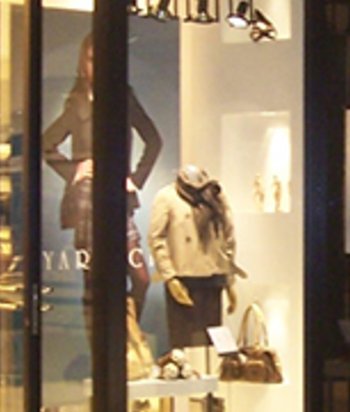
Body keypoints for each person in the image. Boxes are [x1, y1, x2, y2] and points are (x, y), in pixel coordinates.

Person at [42, 32, 162, 343]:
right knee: (94, 280)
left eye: (103, 59)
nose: (97, 66)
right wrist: (74, 170)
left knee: (140, 277)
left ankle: (126, 335)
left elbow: (153, 140)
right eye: (92, 60)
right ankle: (99, 347)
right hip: (87, 197)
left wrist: (134, 179)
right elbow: (46, 144)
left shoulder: (124, 97)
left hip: (118, 198)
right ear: (83, 63)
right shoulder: (77, 102)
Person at [148, 164, 241, 350]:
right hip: (183, 278)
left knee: (212, 341)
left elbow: (227, 237)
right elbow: (156, 238)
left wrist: (229, 280)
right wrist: (170, 277)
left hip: (213, 276)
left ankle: (211, 368)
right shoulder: (167, 197)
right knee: (182, 339)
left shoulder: (216, 196)